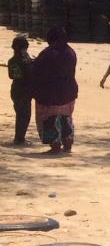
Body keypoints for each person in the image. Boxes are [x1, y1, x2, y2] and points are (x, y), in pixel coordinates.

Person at [31, 26, 78, 154]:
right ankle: (68, 143)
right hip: (68, 92)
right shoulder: (71, 52)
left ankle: (55, 145)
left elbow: (37, 71)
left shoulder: (48, 53)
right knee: (66, 118)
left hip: (50, 94)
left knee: (49, 119)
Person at [7, 34, 34, 145]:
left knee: (20, 114)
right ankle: (19, 139)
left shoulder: (11, 61)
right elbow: (30, 74)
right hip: (24, 91)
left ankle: (18, 137)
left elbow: (11, 76)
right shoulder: (25, 61)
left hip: (15, 89)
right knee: (25, 116)